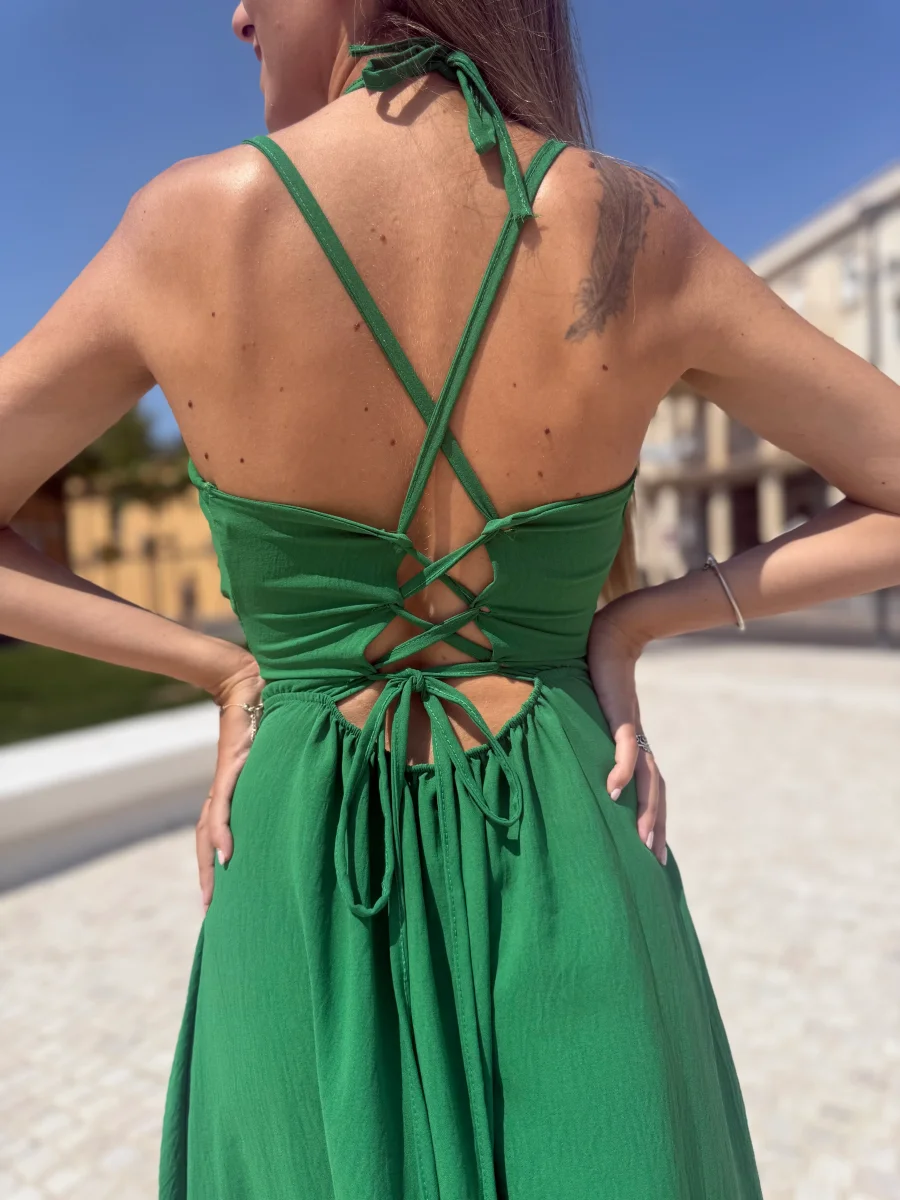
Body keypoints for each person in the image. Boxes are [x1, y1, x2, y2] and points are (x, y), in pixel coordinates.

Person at [1, 1, 898, 1197]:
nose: (237, 15)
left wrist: (222, 670)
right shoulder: (629, 226)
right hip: (572, 830)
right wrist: (641, 620)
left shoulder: (190, 225)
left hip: (299, 851)